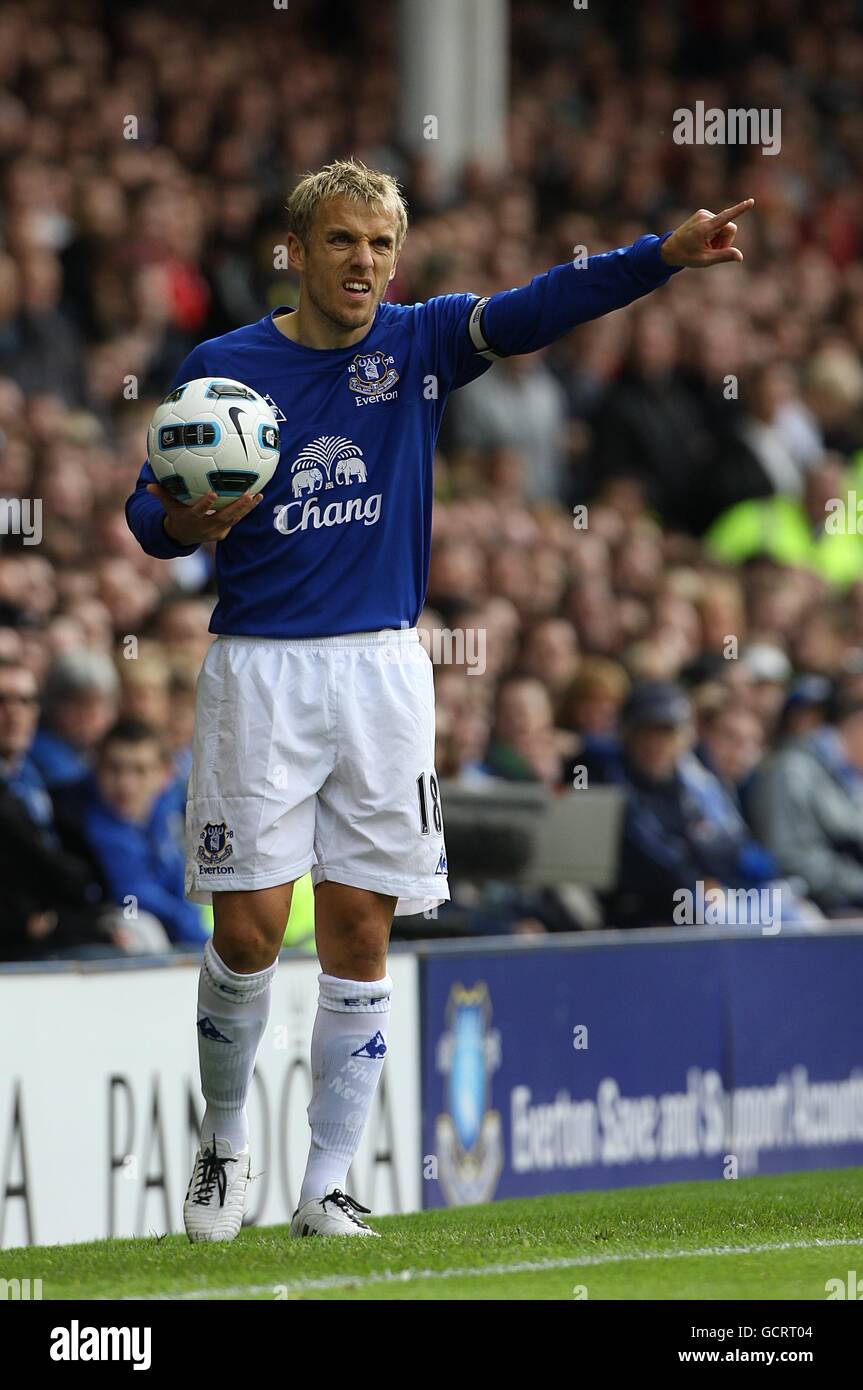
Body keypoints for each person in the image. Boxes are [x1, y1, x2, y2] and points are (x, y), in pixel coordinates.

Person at [125, 158, 754, 1241]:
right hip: (260, 668)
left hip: (379, 669)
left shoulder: (418, 343)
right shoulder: (223, 368)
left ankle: (324, 1183)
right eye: (340, 241)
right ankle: (223, 1147)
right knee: (250, 930)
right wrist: (191, 523)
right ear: (298, 250)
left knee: (361, 927)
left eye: (379, 244)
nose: (362, 262)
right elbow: (150, 512)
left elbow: (541, 304)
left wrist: (659, 258)